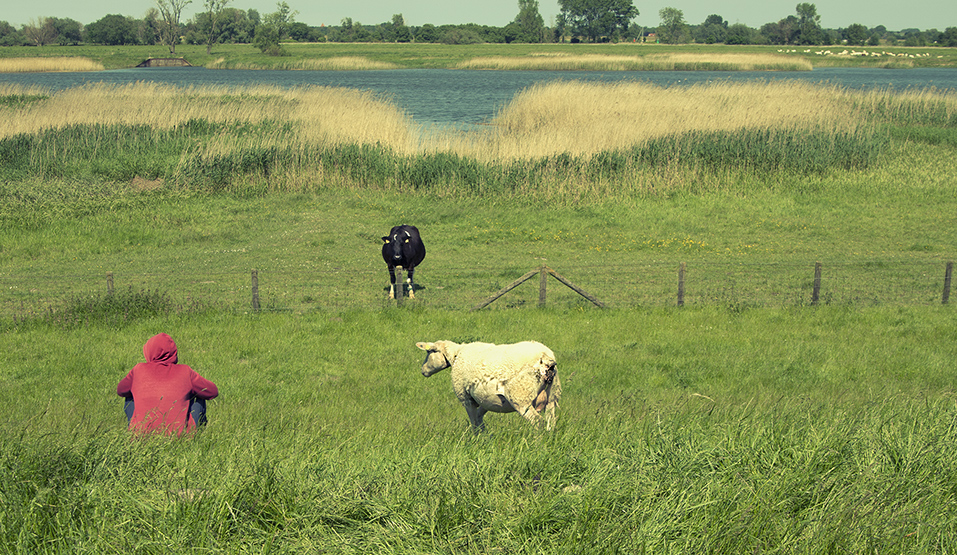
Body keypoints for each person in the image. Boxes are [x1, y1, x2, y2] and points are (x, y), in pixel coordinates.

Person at [116, 332, 219, 435]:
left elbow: (121, 390)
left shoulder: (138, 369)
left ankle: (135, 431)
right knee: (199, 397)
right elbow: (212, 391)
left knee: (129, 398)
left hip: (141, 439)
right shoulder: (185, 371)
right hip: (179, 439)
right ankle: (193, 435)